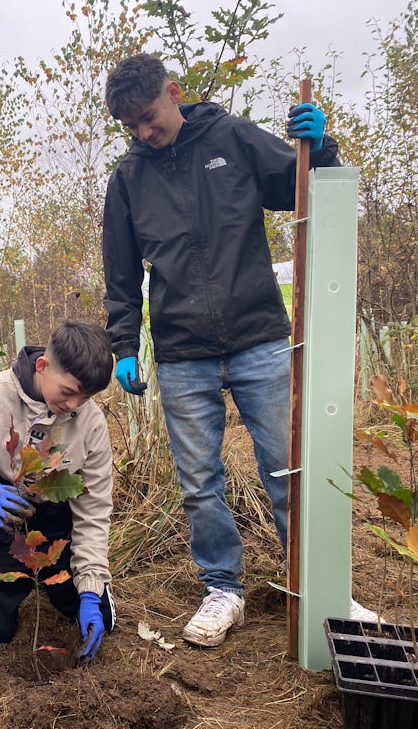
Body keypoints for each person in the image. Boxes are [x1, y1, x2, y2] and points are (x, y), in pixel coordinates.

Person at [101, 52, 340, 647]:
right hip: (183, 351)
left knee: (287, 468)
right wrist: (123, 343)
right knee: (200, 479)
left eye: (150, 117)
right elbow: (121, 272)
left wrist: (324, 147)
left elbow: (297, 185)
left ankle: (310, 580)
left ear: (173, 92)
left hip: (259, 336)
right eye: (132, 126)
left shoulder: (231, 137)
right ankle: (223, 589)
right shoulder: (128, 180)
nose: (144, 132)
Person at [0, 320, 116, 661]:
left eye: (86, 396)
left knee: (99, 619)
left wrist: (90, 590)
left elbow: (93, 510)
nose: (75, 404)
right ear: (43, 367)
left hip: (59, 524)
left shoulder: (91, 423)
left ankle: (65, 585)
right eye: (68, 391)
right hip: (1, 518)